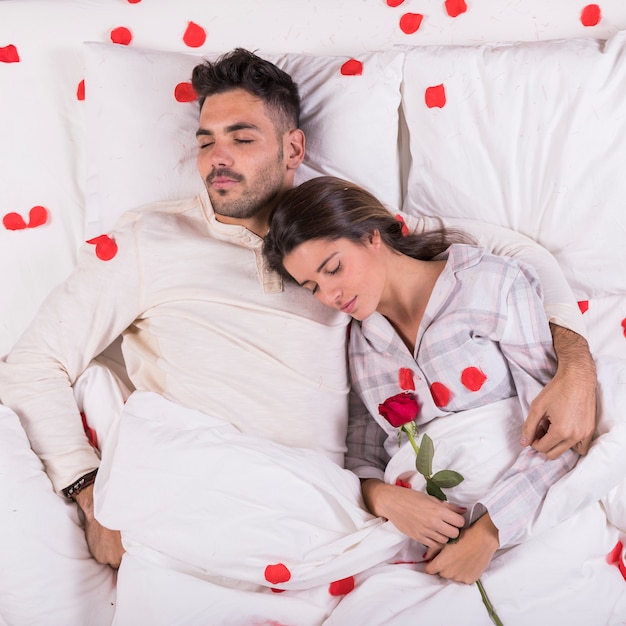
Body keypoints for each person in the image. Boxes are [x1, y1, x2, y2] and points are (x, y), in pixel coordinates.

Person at [0, 49, 595, 573]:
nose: (217, 157)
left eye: (242, 136)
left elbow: (508, 256)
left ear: (293, 148)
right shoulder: (146, 240)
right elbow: (32, 363)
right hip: (200, 490)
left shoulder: (347, 231)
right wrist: (91, 492)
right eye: (205, 140)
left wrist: (575, 367)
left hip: (330, 511)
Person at [262, 175, 581, 583]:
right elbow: (361, 458)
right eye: (313, 287)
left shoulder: (490, 284)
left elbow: (562, 431)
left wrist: (489, 532)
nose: (330, 296)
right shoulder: (360, 344)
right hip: (423, 543)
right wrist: (386, 500)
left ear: (371, 236)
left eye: (334, 268)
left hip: (524, 519)